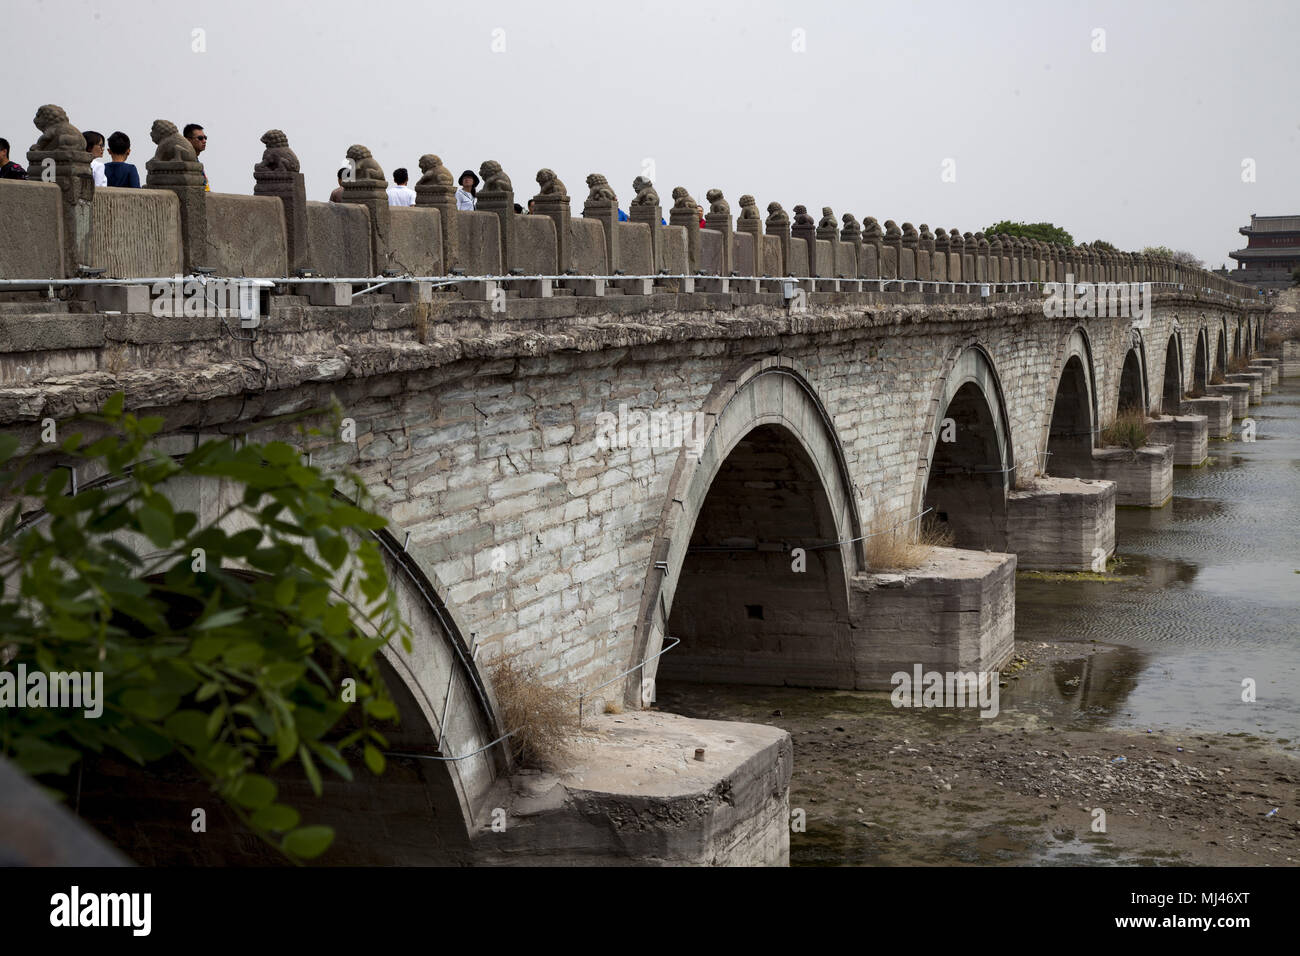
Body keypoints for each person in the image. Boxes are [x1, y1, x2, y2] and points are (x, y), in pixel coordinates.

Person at [183, 123, 208, 191]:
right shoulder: (184, 161)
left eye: (205, 138)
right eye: (200, 138)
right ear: (188, 140)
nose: (204, 141)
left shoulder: (195, 160)